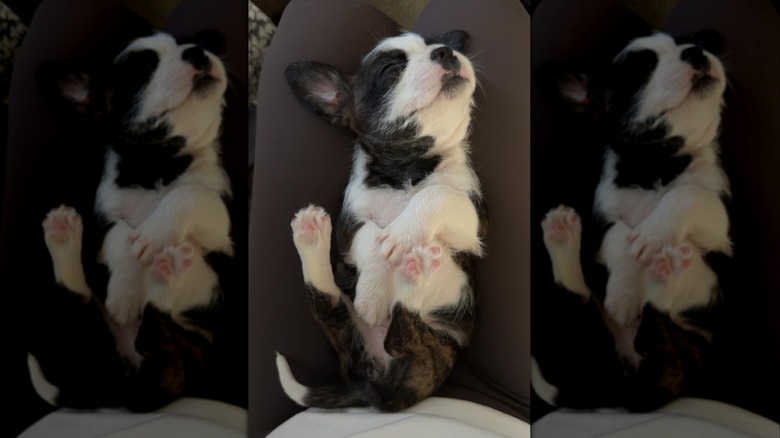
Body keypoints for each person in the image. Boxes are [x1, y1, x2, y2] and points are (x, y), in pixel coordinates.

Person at [249, 0, 531, 434]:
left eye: (439, 50)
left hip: (389, 350)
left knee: (345, 290)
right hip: (435, 356)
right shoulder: (363, 177)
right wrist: (381, 262)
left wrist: (425, 210)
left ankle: (322, 269)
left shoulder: (453, 167)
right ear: (344, 107)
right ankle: (405, 286)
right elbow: (356, 235)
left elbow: (472, 228)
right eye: (392, 71)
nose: (442, 53)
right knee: (361, 269)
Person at [1, 1, 248, 435]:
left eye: (192, 50)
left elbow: (132, 234)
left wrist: (159, 229)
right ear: (100, 107)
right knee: (179, 254)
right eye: (144, 71)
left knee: (90, 300)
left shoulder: (199, 167)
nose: (194, 54)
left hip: (93, 379)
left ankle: (71, 280)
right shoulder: (123, 173)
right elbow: (205, 232)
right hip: (189, 364)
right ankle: (144, 285)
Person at [531, 0, 780, 424]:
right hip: (664, 355)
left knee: (687, 249)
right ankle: (612, 289)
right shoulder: (613, 174)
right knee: (621, 247)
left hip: (663, 331)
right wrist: (628, 259)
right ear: (598, 104)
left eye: (690, 49)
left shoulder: (703, 167)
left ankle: (577, 281)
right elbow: (611, 235)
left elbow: (714, 229)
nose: (693, 54)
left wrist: (663, 225)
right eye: (646, 69)